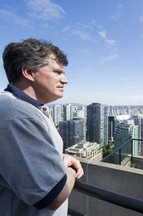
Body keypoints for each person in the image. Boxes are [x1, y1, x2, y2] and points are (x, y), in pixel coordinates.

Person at [0, 38, 84, 215]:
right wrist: (67, 167)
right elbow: (52, 195)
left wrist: (59, 157)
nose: (65, 80)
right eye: (57, 72)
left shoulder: (29, 109)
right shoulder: (16, 114)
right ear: (29, 72)